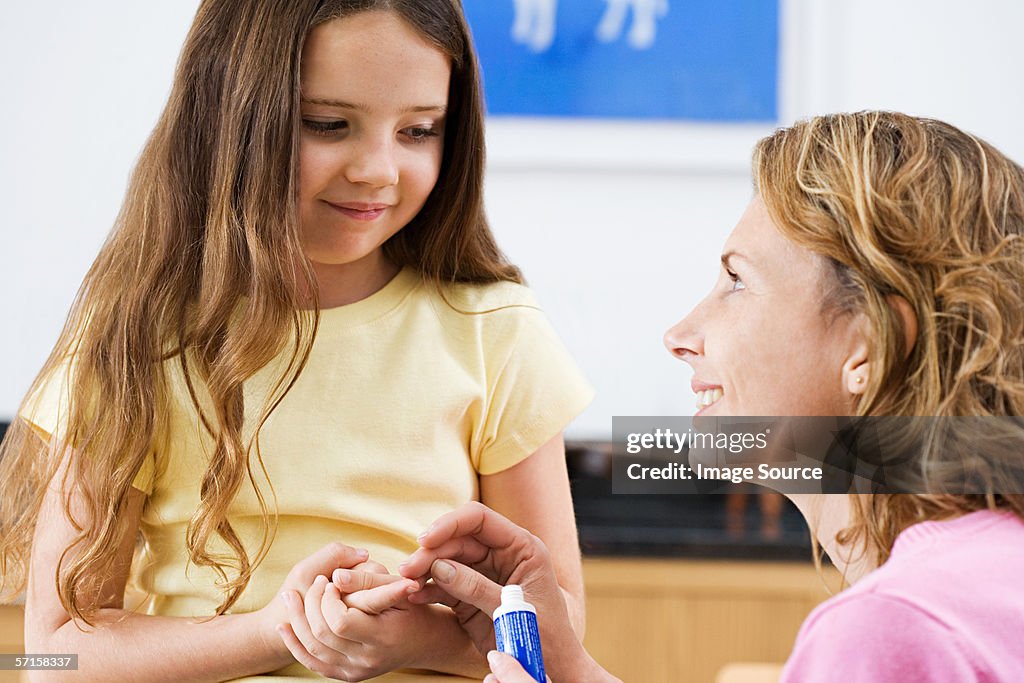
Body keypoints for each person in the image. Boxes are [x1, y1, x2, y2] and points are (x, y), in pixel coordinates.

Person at [0, 1, 591, 680]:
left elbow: (560, 622)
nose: (378, 169)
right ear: (228, 115)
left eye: (420, 130)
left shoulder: (497, 333)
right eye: (329, 124)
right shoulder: (136, 340)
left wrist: (416, 641)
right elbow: (51, 654)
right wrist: (278, 630)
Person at [401, 112, 1024, 682]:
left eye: (736, 281)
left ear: (868, 344)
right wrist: (568, 669)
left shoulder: (890, 631)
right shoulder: (990, 579)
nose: (680, 336)